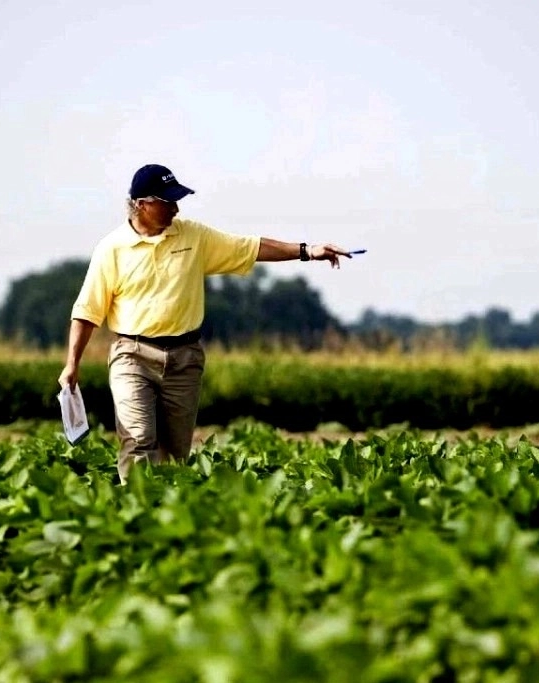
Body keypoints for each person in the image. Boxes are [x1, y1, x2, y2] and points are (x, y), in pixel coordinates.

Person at [58, 164, 352, 483]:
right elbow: (87, 311)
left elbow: (250, 247)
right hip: (133, 356)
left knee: (175, 454)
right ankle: (135, 510)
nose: (176, 208)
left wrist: (307, 251)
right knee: (139, 438)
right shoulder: (111, 249)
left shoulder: (194, 236)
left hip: (185, 358)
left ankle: (167, 514)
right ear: (142, 204)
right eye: (168, 201)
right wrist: (72, 364)